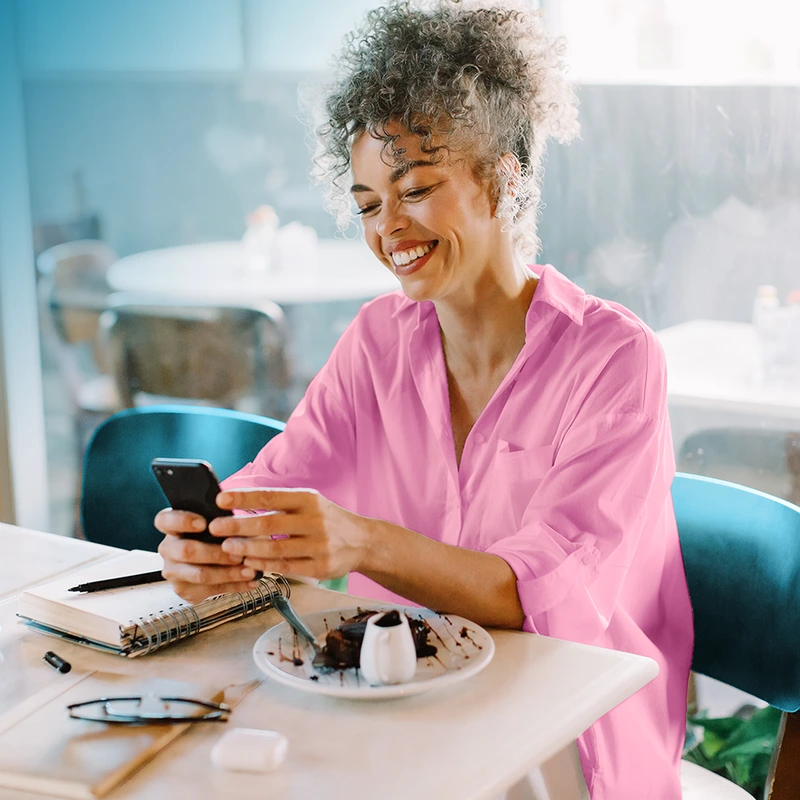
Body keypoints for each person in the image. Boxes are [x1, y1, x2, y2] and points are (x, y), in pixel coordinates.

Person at [155, 2, 693, 797]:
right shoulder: (378, 341)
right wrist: (216, 543)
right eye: (369, 202)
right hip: (399, 713)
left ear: (502, 176)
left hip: (568, 741)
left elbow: (537, 595)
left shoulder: (615, 359)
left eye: (415, 188)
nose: (389, 228)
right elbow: (272, 494)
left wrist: (363, 544)